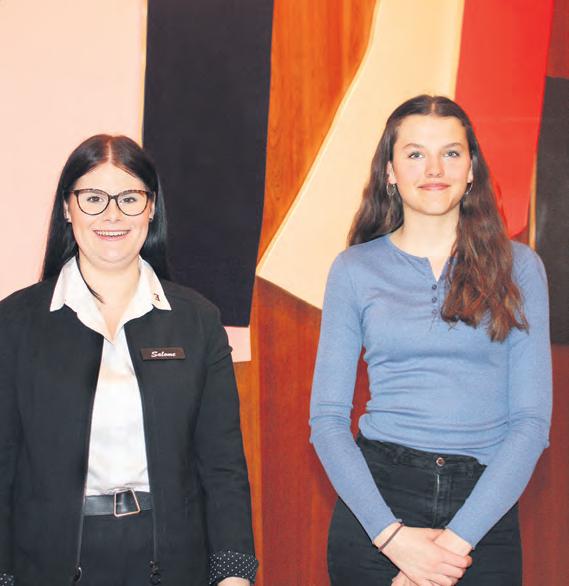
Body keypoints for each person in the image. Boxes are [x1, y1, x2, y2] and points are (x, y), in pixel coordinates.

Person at [309, 95, 551, 586]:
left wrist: (449, 550)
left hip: (483, 513)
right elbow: (327, 422)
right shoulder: (353, 269)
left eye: (451, 153)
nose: (435, 169)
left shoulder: (520, 267)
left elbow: (531, 424)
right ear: (390, 171)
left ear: (471, 168)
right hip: (378, 510)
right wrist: (394, 540)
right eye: (416, 153)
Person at [0, 135, 258, 586]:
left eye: (130, 198)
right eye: (93, 198)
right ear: (67, 208)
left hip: (170, 562)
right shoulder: (15, 322)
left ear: (151, 207)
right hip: (49, 563)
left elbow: (222, 466)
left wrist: (233, 573)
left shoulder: (197, 320)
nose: (112, 215)